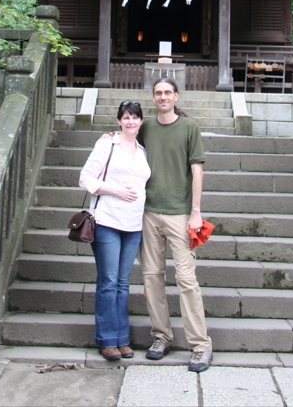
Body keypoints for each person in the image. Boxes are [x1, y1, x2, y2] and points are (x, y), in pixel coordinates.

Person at [138, 78, 213, 374]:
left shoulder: (188, 127)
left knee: (186, 279)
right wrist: (111, 138)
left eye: (168, 93)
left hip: (180, 214)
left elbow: (197, 170)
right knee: (152, 277)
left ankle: (200, 345)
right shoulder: (146, 127)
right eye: (158, 93)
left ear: (176, 96)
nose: (163, 97)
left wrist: (196, 212)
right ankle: (161, 336)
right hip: (148, 212)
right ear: (153, 98)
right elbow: (128, 146)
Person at [79, 100, 150, 362]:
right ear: (119, 120)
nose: (131, 122)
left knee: (122, 283)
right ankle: (107, 340)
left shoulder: (143, 150)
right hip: (107, 220)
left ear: (141, 121)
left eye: (135, 117)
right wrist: (116, 190)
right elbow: (85, 178)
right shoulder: (106, 144)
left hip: (133, 224)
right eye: (126, 117)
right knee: (108, 282)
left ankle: (122, 339)